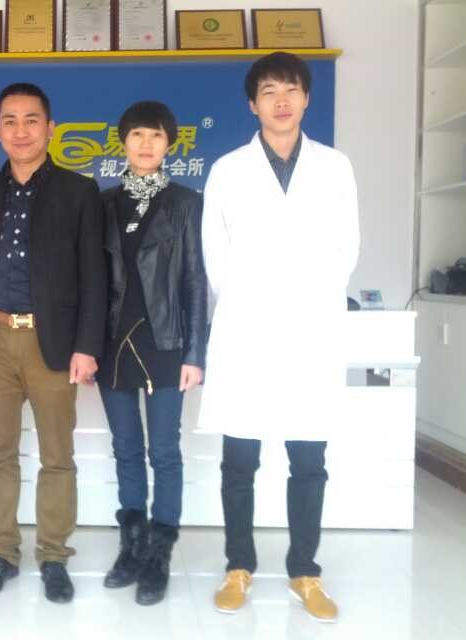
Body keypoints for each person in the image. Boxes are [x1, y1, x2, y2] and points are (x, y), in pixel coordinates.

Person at [199, 52, 360, 623]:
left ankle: (305, 571)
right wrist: (255, 303)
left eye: (291, 89)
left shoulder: (334, 167)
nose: (282, 100)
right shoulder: (228, 170)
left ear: (307, 98)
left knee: (309, 459)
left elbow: (345, 248)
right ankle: (238, 566)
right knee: (239, 459)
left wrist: (304, 300)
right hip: (247, 329)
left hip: (310, 331)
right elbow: (216, 255)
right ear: (253, 103)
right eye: (269, 91)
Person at [0, 82, 106, 604]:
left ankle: (53, 554)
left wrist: (87, 345)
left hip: (54, 342)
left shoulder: (79, 192)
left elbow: (94, 276)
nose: (21, 131)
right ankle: (1, 552)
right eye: (10, 121)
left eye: (31, 120)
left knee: (57, 456)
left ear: (50, 128)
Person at [95, 101, 208, 606]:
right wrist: (86, 346)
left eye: (156, 135)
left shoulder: (185, 203)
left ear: (169, 144)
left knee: (164, 450)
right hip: (113, 344)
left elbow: (195, 279)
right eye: (137, 134)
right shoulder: (104, 203)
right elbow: (92, 280)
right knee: (125, 448)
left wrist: (195, 352)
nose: (146, 144)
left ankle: (159, 553)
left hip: (166, 343)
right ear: (123, 142)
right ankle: (132, 546)